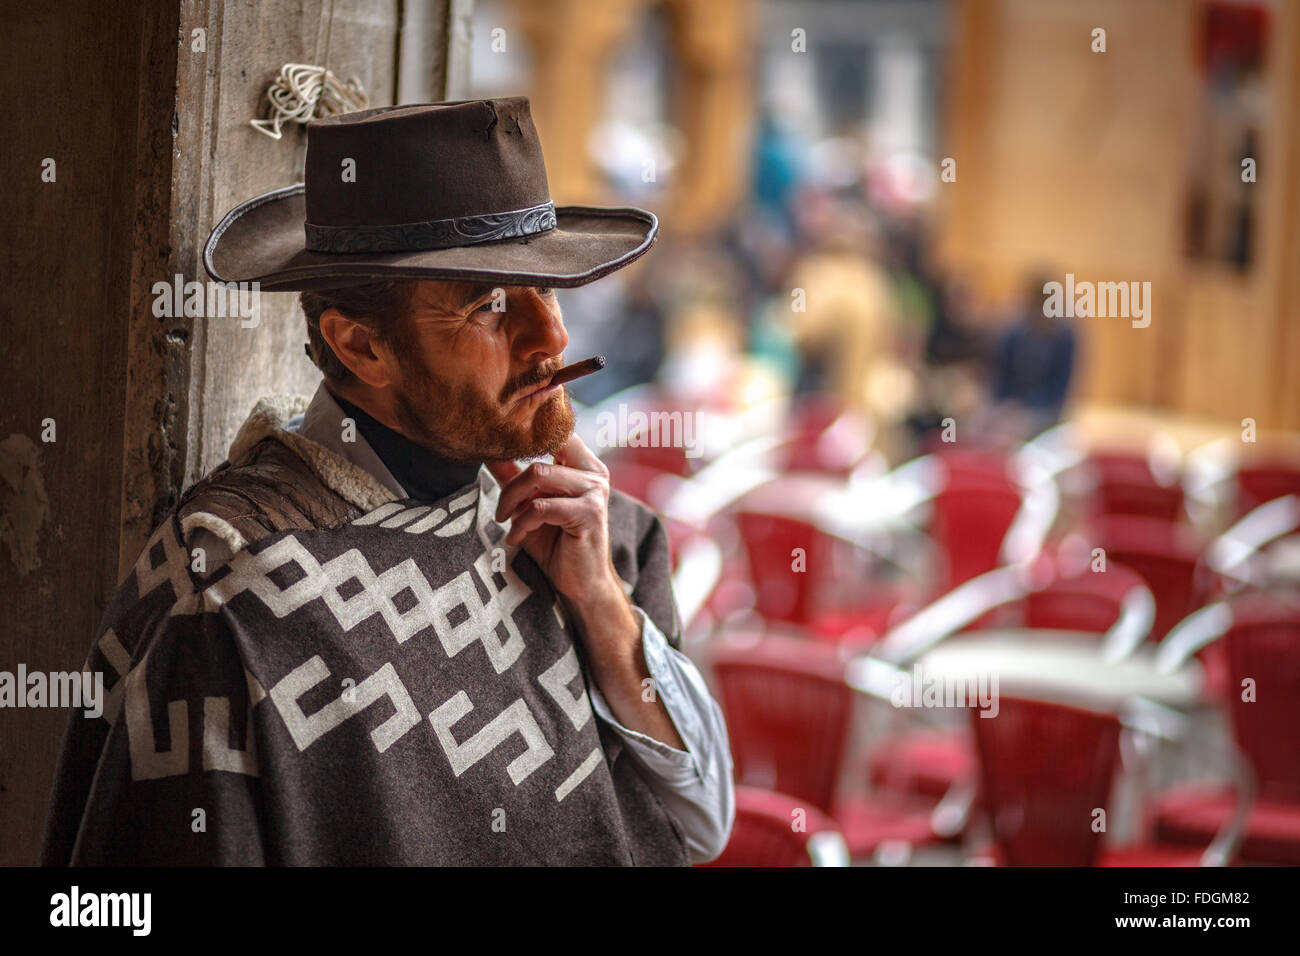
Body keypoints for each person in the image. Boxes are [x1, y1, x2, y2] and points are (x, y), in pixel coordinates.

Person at [41, 98, 734, 866]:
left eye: (550, 290)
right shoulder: (237, 596)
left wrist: (604, 609)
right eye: (491, 307)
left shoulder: (590, 533)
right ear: (362, 346)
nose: (553, 337)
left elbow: (703, 824)